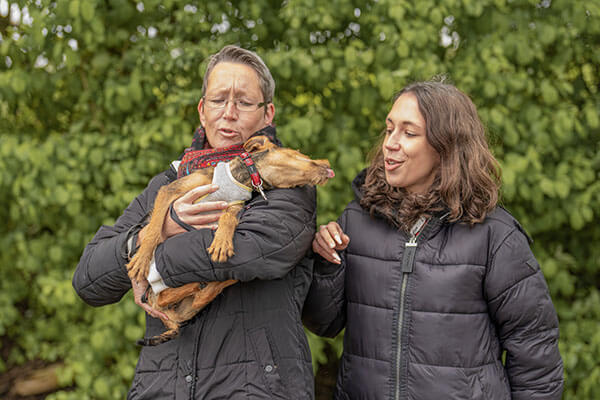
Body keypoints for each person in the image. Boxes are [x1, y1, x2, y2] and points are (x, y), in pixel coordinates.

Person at [73, 45, 317, 399]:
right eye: (218, 100)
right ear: (202, 111)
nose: (228, 113)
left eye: (244, 102)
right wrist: (159, 230)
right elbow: (88, 281)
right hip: (162, 389)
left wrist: (149, 268)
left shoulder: (288, 180)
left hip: (255, 389)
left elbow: (250, 253)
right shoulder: (169, 183)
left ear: (268, 114)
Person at [302, 80, 564, 399]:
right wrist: (327, 263)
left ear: (445, 146)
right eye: (389, 129)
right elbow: (322, 323)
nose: (390, 144)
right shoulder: (356, 219)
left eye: (409, 133)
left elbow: (536, 355)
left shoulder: (495, 235)